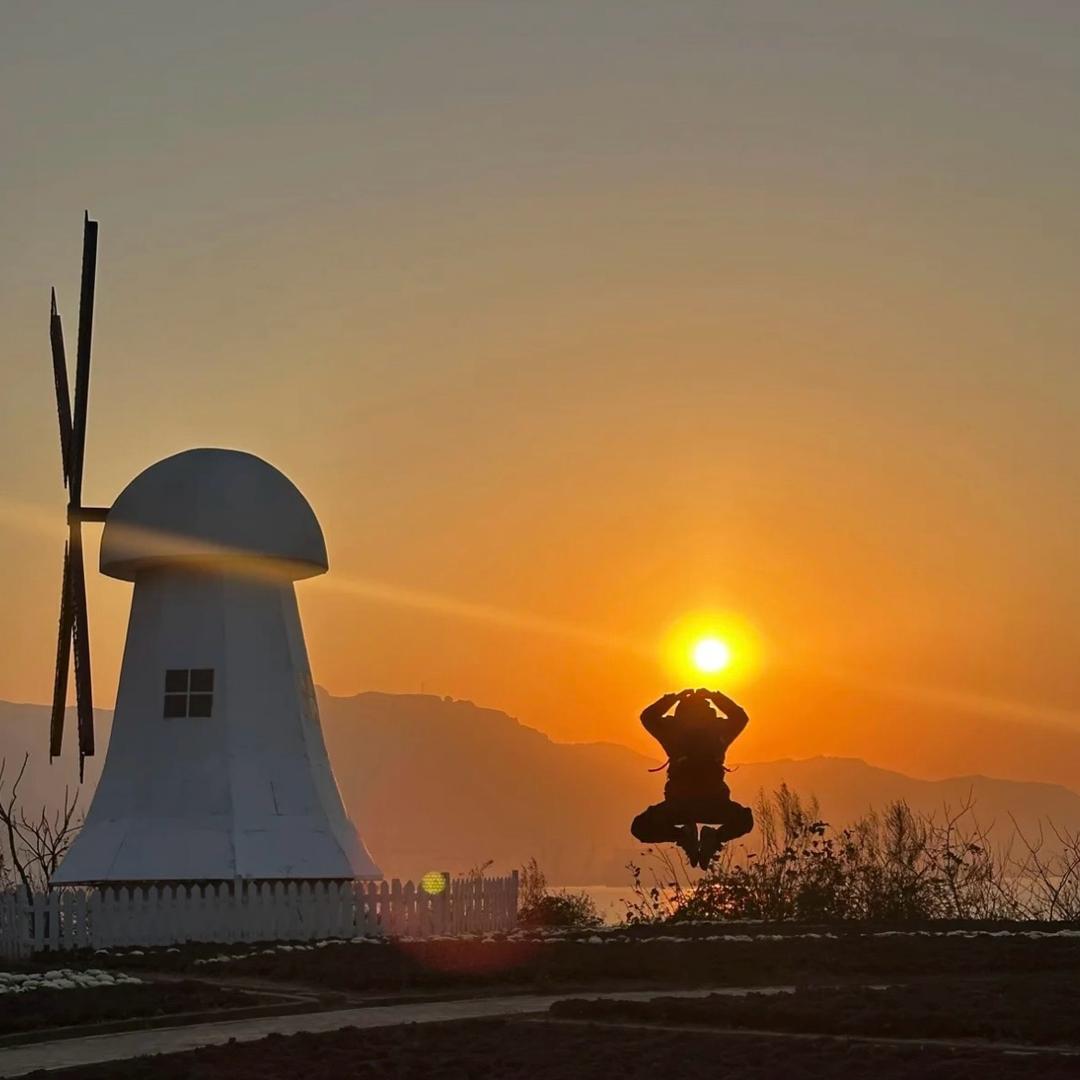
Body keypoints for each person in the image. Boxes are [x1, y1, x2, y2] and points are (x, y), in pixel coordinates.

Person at [630, 688, 754, 868]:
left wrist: (673, 698)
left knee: (640, 827)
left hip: (679, 806)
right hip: (714, 804)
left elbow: (648, 717)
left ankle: (683, 836)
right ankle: (714, 838)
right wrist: (714, 696)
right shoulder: (719, 731)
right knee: (744, 820)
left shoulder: (672, 732)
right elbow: (740, 717)